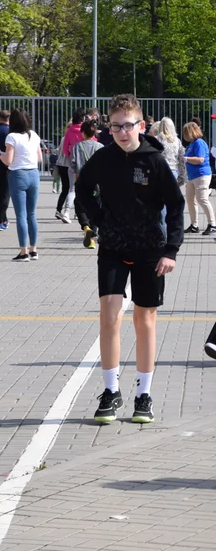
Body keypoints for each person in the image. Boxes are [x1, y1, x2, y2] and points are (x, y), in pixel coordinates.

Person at [75, 94, 184, 425]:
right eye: (117, 126)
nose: (123, 132)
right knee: (108, 315)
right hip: (113, 246)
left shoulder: (152, 160)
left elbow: (176, 205)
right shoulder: (103, 158)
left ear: (141, 125)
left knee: (144, 319)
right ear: (109, 126)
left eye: (129, 125)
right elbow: (82, 191)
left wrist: (171, 251)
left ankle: (144, 395)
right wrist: (98, 221)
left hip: (151, 248)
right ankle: (111, 391)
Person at [1, 109, 42, 262]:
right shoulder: (34, 135)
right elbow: (39, 158)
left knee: (21, 215)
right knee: (32, 214)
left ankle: (23, 251)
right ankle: (34, 250)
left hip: (18, 175)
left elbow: (8, 160)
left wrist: (0, 155)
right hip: (34, 174)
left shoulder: (12, 137)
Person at [71, 119, 103, 249]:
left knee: (79, 205)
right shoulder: (100, 147)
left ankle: (86, 227)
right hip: (98, 182)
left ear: (83, 133)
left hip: (82, 181)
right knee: (96, 206)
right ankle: (94, 233)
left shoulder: (77, 147)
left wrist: (76, 180)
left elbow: (73, 166)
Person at [181, 121, 214, 235]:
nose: (184, 136)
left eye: (186, 133)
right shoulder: (191, 144)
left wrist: (185, 158)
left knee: (202, 199)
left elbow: (200, 159)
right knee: (190, 200)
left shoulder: (199, 143)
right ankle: (194, 225)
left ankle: (212, 224)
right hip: (192, 176)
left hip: (201, 174)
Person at [56, 108, 89, 224]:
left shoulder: (69, 131)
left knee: (72, 189)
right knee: (88, 189)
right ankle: (85, 213)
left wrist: (71, 158)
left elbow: (65, 149)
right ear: (83, 118)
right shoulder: (85, 130)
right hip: (87, 164)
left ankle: (66, 212)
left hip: (73, 163)